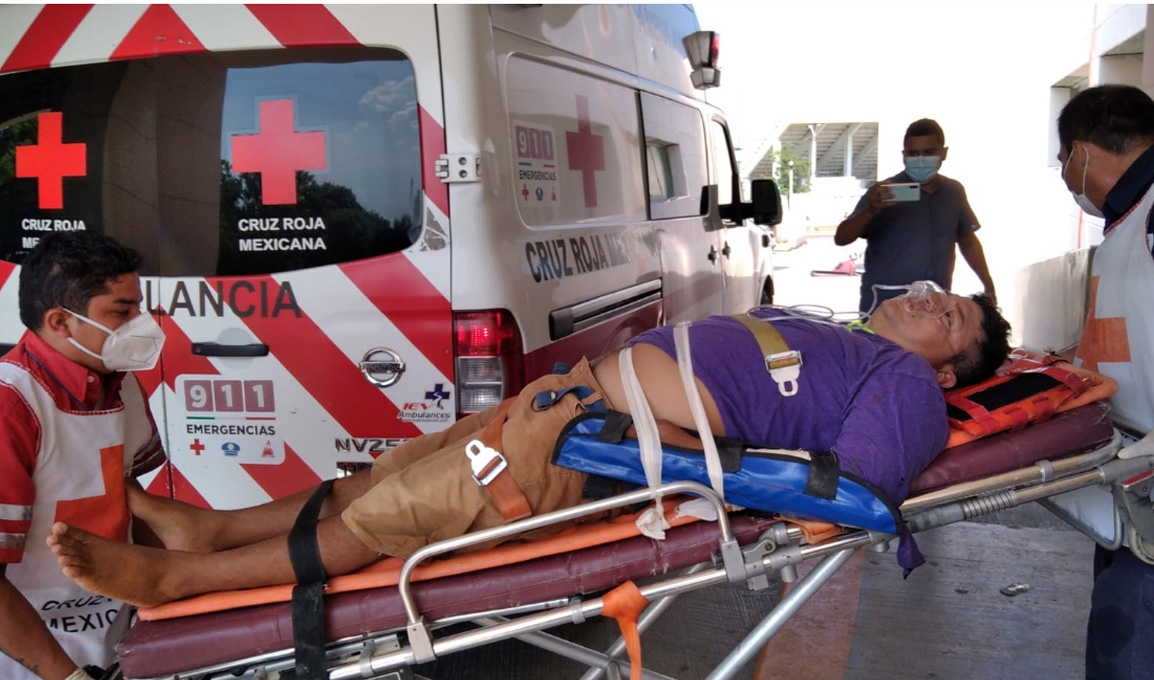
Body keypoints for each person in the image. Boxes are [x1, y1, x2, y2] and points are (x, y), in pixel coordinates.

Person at [46, 287, 1011, 610]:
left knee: (398, 518)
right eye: (933, 288)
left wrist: (669, 457)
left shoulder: (908, 388)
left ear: (954, 368)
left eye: (951, 313)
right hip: (567, 403)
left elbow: (860, 491)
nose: (930, 297)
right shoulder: (831, 328)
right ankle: (209, 530)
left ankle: (179, 583)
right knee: (382, 475)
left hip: (599, 444)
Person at [1056, 84, 1154, 680]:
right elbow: (1133, 340)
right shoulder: (1129, 227)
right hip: (1136, 480)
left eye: (1063, 159)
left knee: (1148, 647)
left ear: (1083, 151)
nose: (1065, 175)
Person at [0, 232, 166, 680]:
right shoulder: (10, 405)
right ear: (60, 321)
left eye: (139, 308)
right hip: (30, 662)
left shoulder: (121, 384)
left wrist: (173, 591)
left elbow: (132, 504)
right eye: (121, 311)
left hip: (117, 641)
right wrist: (67, 677)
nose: (141, 323)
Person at [834, 118, 996, 314]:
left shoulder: (953, 192)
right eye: (913, 154)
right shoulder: (883, 192)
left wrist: (988, 285)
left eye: (928, 153)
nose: (920, 160)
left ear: (943, 153)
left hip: (934, 309)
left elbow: (968, 241)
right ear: (903, 156)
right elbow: (841, 238)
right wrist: (870, 211)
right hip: (885, 310)